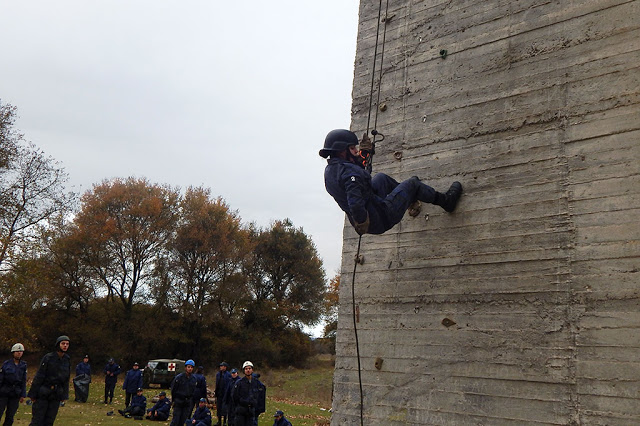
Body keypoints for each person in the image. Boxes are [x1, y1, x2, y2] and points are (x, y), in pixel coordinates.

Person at [320, 129, 463, 235]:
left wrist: (365, 155)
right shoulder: (350, 174)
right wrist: (362, 222)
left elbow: (360, 179)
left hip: (371, 204)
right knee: (413, 183)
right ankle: (447, 202)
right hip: (381, 217)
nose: (357, 151)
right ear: (341, 151)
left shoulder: (331, 171)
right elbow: (355, 202)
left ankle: (410, 201)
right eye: (352, 148)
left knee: (381, 178)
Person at [27, 335, 71, 426]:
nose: (65, 346)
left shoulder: (67, 359)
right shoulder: (48, 357)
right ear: (58, 344)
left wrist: (64, 395)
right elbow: (40, 375)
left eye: (67, 344)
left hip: (56, 394)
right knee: (37, 420)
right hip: (43, 392)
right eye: (63, 343)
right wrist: (33, 394)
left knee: (49, 421)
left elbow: (66, 379)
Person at [0, 343, 27, 426]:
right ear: (13, 352)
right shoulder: (6, 364)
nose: (19, 353)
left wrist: (23, 394)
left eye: (21, 351)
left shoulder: (23, 365)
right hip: (4, 392)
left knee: (10, 415)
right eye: (17, 351)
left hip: (15, 393)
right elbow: (1, 378)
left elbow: (23, 380)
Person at [231, 361, 262, 426]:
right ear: (244, 371)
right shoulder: (239, 383)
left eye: (249, 368)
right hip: (241, 411)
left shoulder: (256, 383)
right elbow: (234, 396)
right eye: (246, 369)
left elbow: (259, 395)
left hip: (251, 412)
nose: (248, 370)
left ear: (252, 370)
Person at [169, 359, 197, 426]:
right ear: (185, 368)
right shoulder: (179, 378)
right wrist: (174, 400)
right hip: (178, 401)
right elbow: (174, 389)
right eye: (188, 367)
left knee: (182, 420)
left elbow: (193, 391)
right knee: (176, 420)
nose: (190, 369)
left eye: (191, 367)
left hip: (187, 402)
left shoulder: (193, 379)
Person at [214, 362, 231, 426]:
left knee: (224, 409)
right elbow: (217, 384)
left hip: (225, 394)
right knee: (219, 408)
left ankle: (224, 422)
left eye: (222, 366)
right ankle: (219, 421)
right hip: (219, 393)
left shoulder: (228, 374)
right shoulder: (218, 374)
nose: (220, 367)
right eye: (220, 366)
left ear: (225, 367)